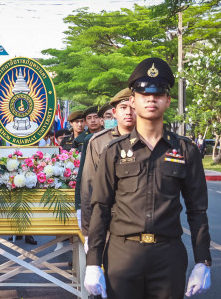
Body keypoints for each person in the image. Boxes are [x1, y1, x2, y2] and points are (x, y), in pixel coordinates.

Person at [84, 58, 211, 299]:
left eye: (158, 93)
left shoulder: (185, 151)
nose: (151, 99)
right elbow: (100, 207)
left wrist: (203, 261)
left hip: (168, 255)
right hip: (123, 255)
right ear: (132, 101)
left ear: (167, 100)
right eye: (144, 94)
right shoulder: (114, 151)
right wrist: (92, 262)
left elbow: (198, 211)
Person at [77, 88, 136, 253]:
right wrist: (88, 233)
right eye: (123, 108)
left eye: (133, 107)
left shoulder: (151, 140)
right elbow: (88, 187)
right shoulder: (98, 142)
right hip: (111, 223)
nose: (129, 112)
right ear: (115, 113)